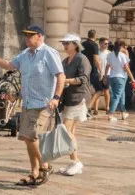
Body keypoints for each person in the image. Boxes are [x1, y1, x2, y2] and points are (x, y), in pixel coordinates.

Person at [0, 25, 65, 187]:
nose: (26, 38)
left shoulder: (49, 53)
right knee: (28, 139)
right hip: (27, 103)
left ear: (39, 36)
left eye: (30, 35)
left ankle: (44, 167)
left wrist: (56, 97)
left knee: (30, 136)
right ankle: (34, 172)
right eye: (25, 35)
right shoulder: (25, 55)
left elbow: (60, 76)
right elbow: (8, 65)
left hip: (43, 104)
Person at [58, 33, 91, 176]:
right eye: (63, 43)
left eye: (67, 43)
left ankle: (76, 162)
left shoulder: (81, 59)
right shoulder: (65, 61)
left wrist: (67, 81)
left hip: (78, 98)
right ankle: (73, 162)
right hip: (68, 99)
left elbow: (83, 78)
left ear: (75, 44)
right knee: (70, 132)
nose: (64, 46)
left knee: (66, 131)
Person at [105, 40, 134, 122]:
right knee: (117, 96)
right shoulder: (122, 55)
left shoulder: (110, 55)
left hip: (112, 77)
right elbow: (126, 68)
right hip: (120, 77)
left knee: (119, 95)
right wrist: (132, 78)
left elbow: (107, 66)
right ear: (121, 46)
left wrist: (105, 76)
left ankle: (123, 112)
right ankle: (110, 114)